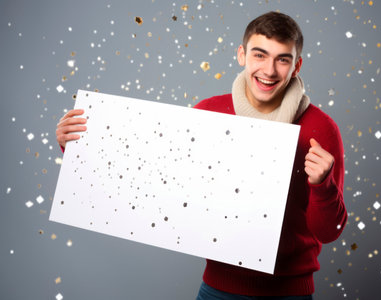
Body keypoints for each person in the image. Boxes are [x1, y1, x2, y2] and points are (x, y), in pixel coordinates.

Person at [56, 11, 347, 300]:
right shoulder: (208, 113)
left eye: (282, 59)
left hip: (289, 294)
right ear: (242, 55)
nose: (269, 70)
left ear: (296, 66)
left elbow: (328, 232)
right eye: (260, 55)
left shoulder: (320, 129)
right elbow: (159, 181)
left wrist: (322, 185)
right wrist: (80, 148)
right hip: (218, 290)